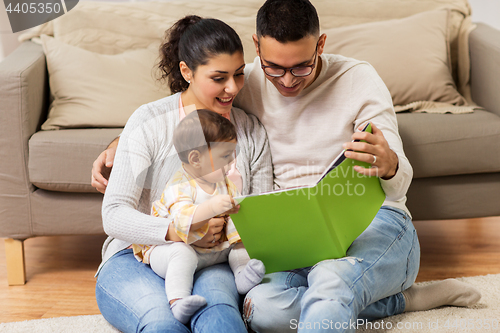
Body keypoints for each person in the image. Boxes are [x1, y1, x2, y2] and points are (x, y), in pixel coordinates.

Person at [92, 2, 481, 332]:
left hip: (364, 221)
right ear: (257, 47)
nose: (288, 81)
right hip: (196, 244)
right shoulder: (247, 83)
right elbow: (178, 113)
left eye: (302, 68)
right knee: (260, 310)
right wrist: (121, 144)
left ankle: (366, 294)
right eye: (274, 68)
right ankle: (395, 303)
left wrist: (390, 164)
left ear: (321, 45)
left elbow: (254, 203)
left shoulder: (349, 83)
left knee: (324, 283)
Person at [94, 16, 273, 333]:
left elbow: (258, 214)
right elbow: (114, 214)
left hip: (213, 259)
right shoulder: (150, 122)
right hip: (136, 255)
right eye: (219, 78)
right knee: (163, 324)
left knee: (220, 321)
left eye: (239, 75)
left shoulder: (250, 132)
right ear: (186, 72)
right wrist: (180, 232)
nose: (232, 88)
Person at [133, 109, 265, 324]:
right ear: (195, 159)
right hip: (171, 250)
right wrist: (211, 207)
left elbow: (237, 219)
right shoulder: (179, 185)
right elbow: (181, 219)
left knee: (240, 243)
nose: (231, 163)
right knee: (181, 254)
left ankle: (242, 274)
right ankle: (178, 301)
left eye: (232, 155)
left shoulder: (224, 183)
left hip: (211, 250)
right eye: (224, 157)